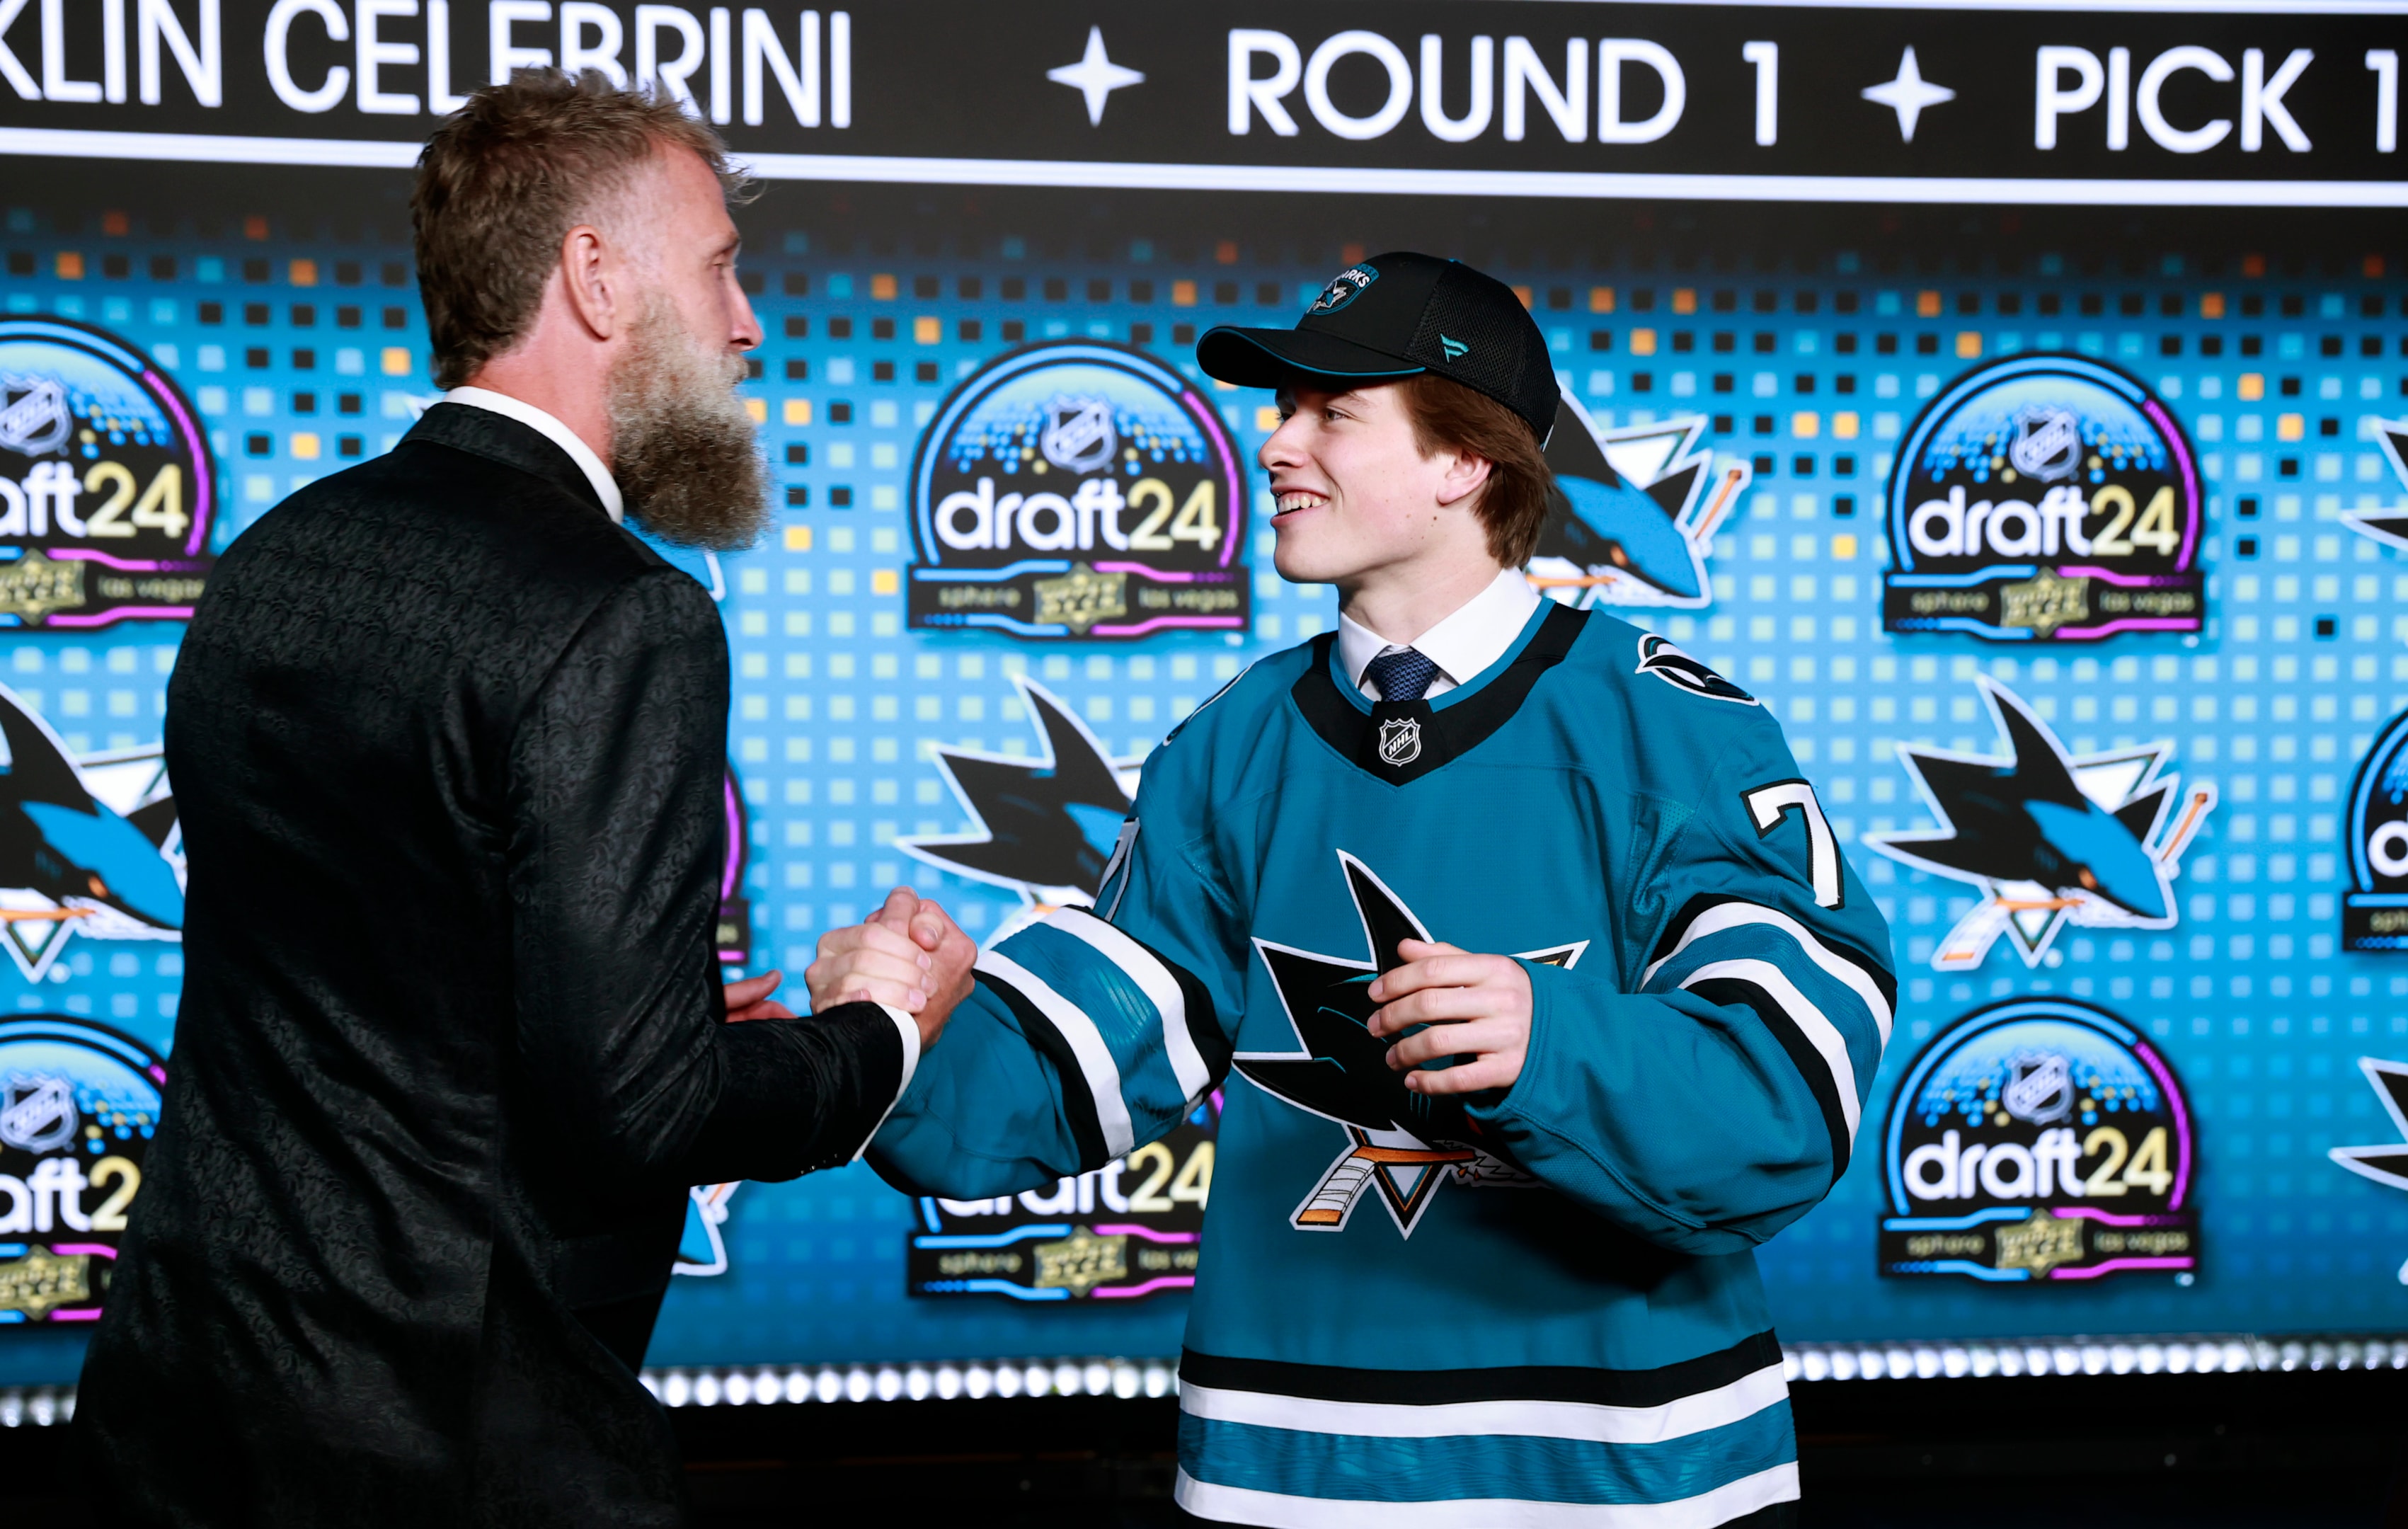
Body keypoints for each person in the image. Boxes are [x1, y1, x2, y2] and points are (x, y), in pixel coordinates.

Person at [812, 252, 1896, 1527]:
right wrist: (901, 1035)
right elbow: (1071, 1070)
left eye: (1333, 410)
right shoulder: (1229, 746)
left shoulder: (1670, 727)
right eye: (1282, 409)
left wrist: (1551, 1044)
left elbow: (1790, 1093)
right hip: (1292, 1475)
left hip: (1622, 1477)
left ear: (1461, 464)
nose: (1275, 445)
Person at [76, 72, 946, 1527]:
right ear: (595, 278)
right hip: (450, 1447)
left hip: (187, 1400)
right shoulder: (623, 614)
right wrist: (886, 1029)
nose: (748, 324)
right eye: (720, 264)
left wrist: (631, 1013)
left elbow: (375, 975)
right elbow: (638, 1119)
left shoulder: (281, 552)